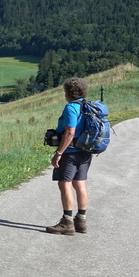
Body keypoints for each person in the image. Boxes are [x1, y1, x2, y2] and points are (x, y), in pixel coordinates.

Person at [46, 77, 92, 235]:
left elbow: (70, 132)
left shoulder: (71, 107)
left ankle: (67, 222)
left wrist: (59, 153)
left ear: (69, 92)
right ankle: (81, 220)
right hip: (85, 151)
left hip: (71, 152)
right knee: (80, 184)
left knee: (64, 184)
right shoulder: (88, 106)